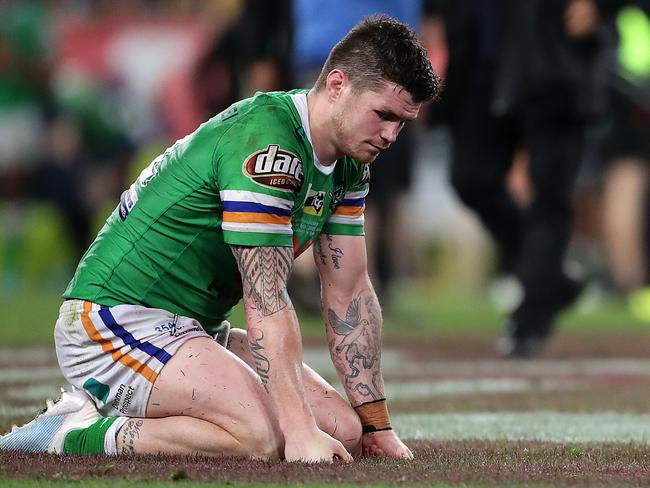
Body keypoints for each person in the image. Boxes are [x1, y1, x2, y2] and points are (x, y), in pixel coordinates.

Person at [0, 16, 439, 463]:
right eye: (383, 114)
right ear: (337, 85)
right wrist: (299, 430)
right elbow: (265, 298)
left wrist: (377, 425)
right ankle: (73, 431)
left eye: (401, 123)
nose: (390, 135)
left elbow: (350, 293)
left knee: (346, 431)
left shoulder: (348, 163)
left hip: (194, 327)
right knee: (263, 437)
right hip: (115, 320)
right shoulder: (269, 147)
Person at [427, 0, 620, 357]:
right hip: (479, 60)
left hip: (553, 53)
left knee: (550, 193)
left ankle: (530, 318)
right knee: (471, 178)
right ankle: (548, 280)